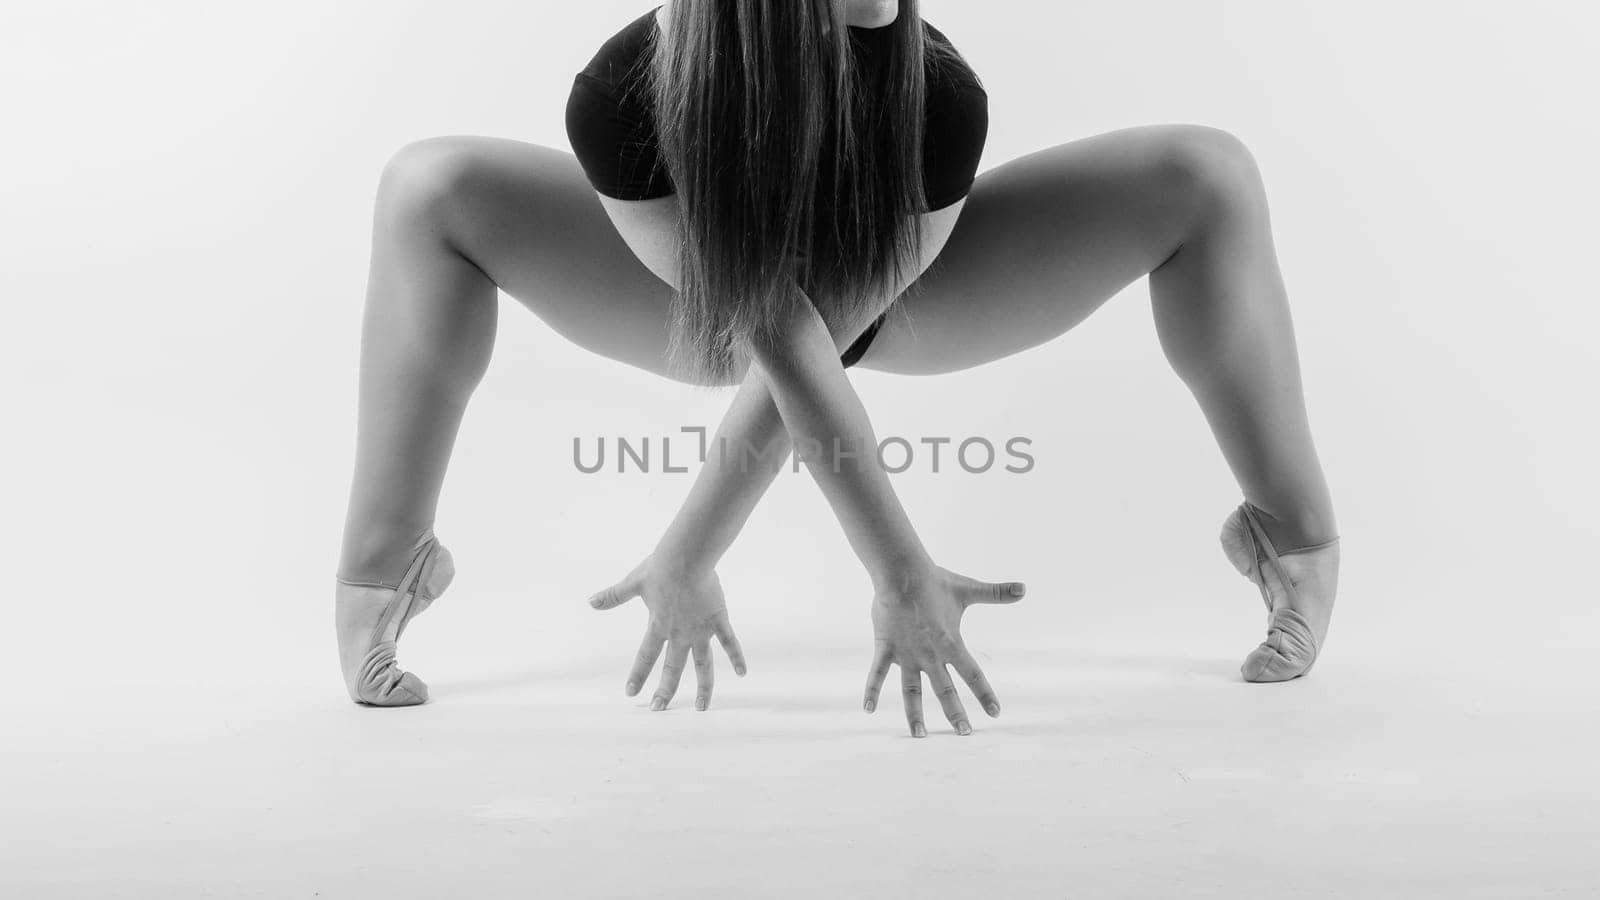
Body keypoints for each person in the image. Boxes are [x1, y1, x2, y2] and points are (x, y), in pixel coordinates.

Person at [333, 0, 1342, 737]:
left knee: (1207, 173)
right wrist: (892, 569)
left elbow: (829, 334)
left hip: (901, 305)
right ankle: (385, 566)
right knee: (430, 185)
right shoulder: (626, 91)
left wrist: (695, 550)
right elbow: (764, 327)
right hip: (702, 311)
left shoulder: (936, 94)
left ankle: (1290, 542)